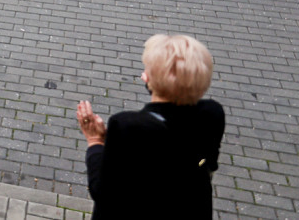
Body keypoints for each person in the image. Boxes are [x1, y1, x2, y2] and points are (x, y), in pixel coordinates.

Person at [76, 34, 224, 220]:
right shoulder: (212, 114)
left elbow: (104, 193)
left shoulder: (128, 126)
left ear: (147, 78)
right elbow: (207, 163)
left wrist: (95, 141)